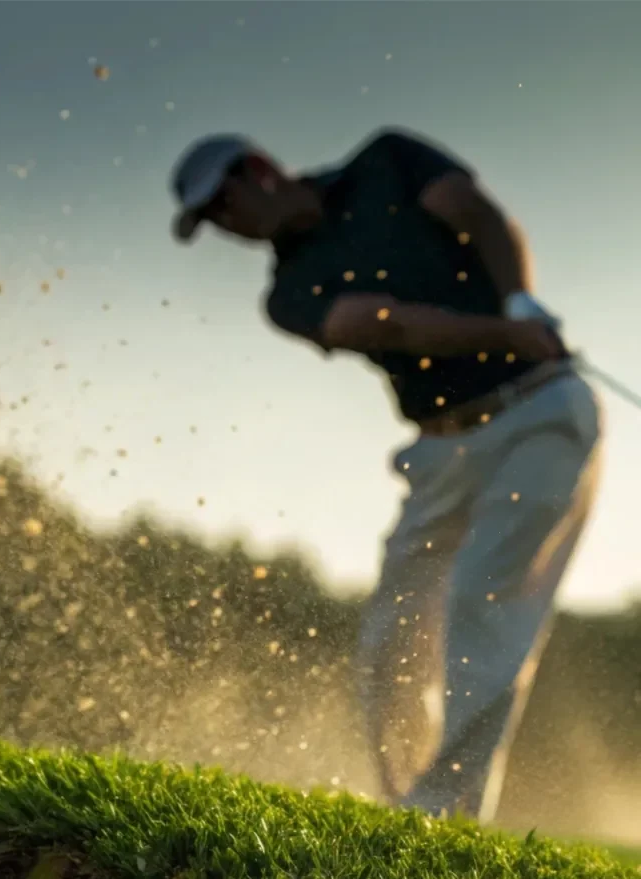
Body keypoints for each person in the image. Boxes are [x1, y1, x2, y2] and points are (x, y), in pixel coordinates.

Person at [169, 127, 603, 824]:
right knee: (390, 641)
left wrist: (520, 300)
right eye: (211, 222)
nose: (227, 226)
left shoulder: (387, 161)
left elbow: (477, 213)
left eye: (224, 205)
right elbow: (389, 326)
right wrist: (508, 334)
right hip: (440, 450)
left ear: (260, 169)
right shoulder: (288, 292)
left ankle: (443, 818)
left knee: (484, 604)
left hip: (539, 417)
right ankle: (408, 805)